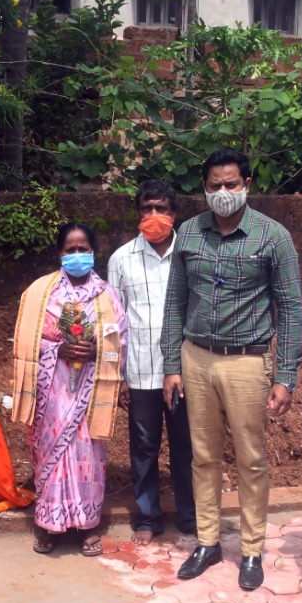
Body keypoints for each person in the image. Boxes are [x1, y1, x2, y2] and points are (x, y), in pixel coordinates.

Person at [160, 148, 302, 588]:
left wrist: (285, 375)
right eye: (215, 186)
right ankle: (207, 542)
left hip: (247, 361)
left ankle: (252, 549)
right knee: (201, 457)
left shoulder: (272, 236)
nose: (223, 193)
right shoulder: (188, 232)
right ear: (204, 188)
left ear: (247, 184)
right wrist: (171, 363)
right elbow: (175, 302)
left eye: (231, 185)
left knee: (251, 459)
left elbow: (291, 308)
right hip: (196, 358)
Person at [12, 222, 127, 555]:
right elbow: (24, 344)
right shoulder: (39, 293)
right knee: (51, 451)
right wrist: (56, 350)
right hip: (51, 390)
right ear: (59, 253)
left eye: (83, 249)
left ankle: (86, 524)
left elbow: (121, 341)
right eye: (70, 250)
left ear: (94, 252)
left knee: (87, 454)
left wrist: (96, 351)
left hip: (90, 391)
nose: (77, 255)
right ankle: (48, 524)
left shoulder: (107, 296)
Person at [107, 179, 196, 545]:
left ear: (174, 214)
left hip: (186, 372)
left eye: (162, 208)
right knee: (143, 447)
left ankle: (191, 516)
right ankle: (148, 517)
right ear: (138, 213)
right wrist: (119, 376)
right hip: (140, 370)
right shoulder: (120, 259)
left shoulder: (191, 254)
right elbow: (114, 322)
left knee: (186, 445)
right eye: (147, 208)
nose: (154, 215)